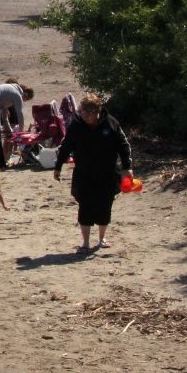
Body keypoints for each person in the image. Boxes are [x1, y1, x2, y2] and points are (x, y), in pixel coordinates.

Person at [52, 92, 131, 253]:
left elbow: (123, 145)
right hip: (84, 172)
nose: (85, 116)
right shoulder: (77, 124)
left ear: (97, 111)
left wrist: (127, 167)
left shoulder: (111, 123)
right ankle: (85, 242)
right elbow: (66, 145)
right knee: (85, 206)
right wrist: (58, 165)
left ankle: (102, 238)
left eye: (88, 113)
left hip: (107, 172)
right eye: (83, 112)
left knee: (105, 205)